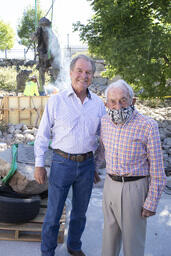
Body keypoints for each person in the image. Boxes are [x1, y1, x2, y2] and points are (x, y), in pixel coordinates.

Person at [34, 54, 106, 256]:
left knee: (80, 213)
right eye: (80, 71)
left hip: (86, 165)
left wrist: (96, 165)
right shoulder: (56, 101)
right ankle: (47, 252)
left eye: (88, 72)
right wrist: (39, 164)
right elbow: (42, 134)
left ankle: (74, 246)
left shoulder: (98, 105)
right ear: (71, 73)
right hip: (61, 163)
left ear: (92, 76)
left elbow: (105, 139)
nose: (84, 75)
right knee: (54, 212)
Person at [98, 79, 166, 256]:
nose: (118, 107)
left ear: (133, 100)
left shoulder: (148, 126)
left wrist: (151, 202)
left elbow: (158, 169)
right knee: (108, 242)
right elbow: (101, 151)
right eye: (113, 102)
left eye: (123, 100)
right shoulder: (104, 122)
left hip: (134, 190)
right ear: (107, 103)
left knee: (132, 246)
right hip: (110, 186)